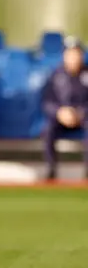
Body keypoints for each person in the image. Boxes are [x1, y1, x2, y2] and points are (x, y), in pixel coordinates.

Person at [41, 42, 88, 180]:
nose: (73, 58)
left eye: (76, 54)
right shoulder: (55, 75)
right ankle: (51, 169)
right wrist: (59, 112)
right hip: (61, 118)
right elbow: (46, 101)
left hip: (83, 118)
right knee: (48, 128)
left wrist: (81, 113)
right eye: (70, 54)